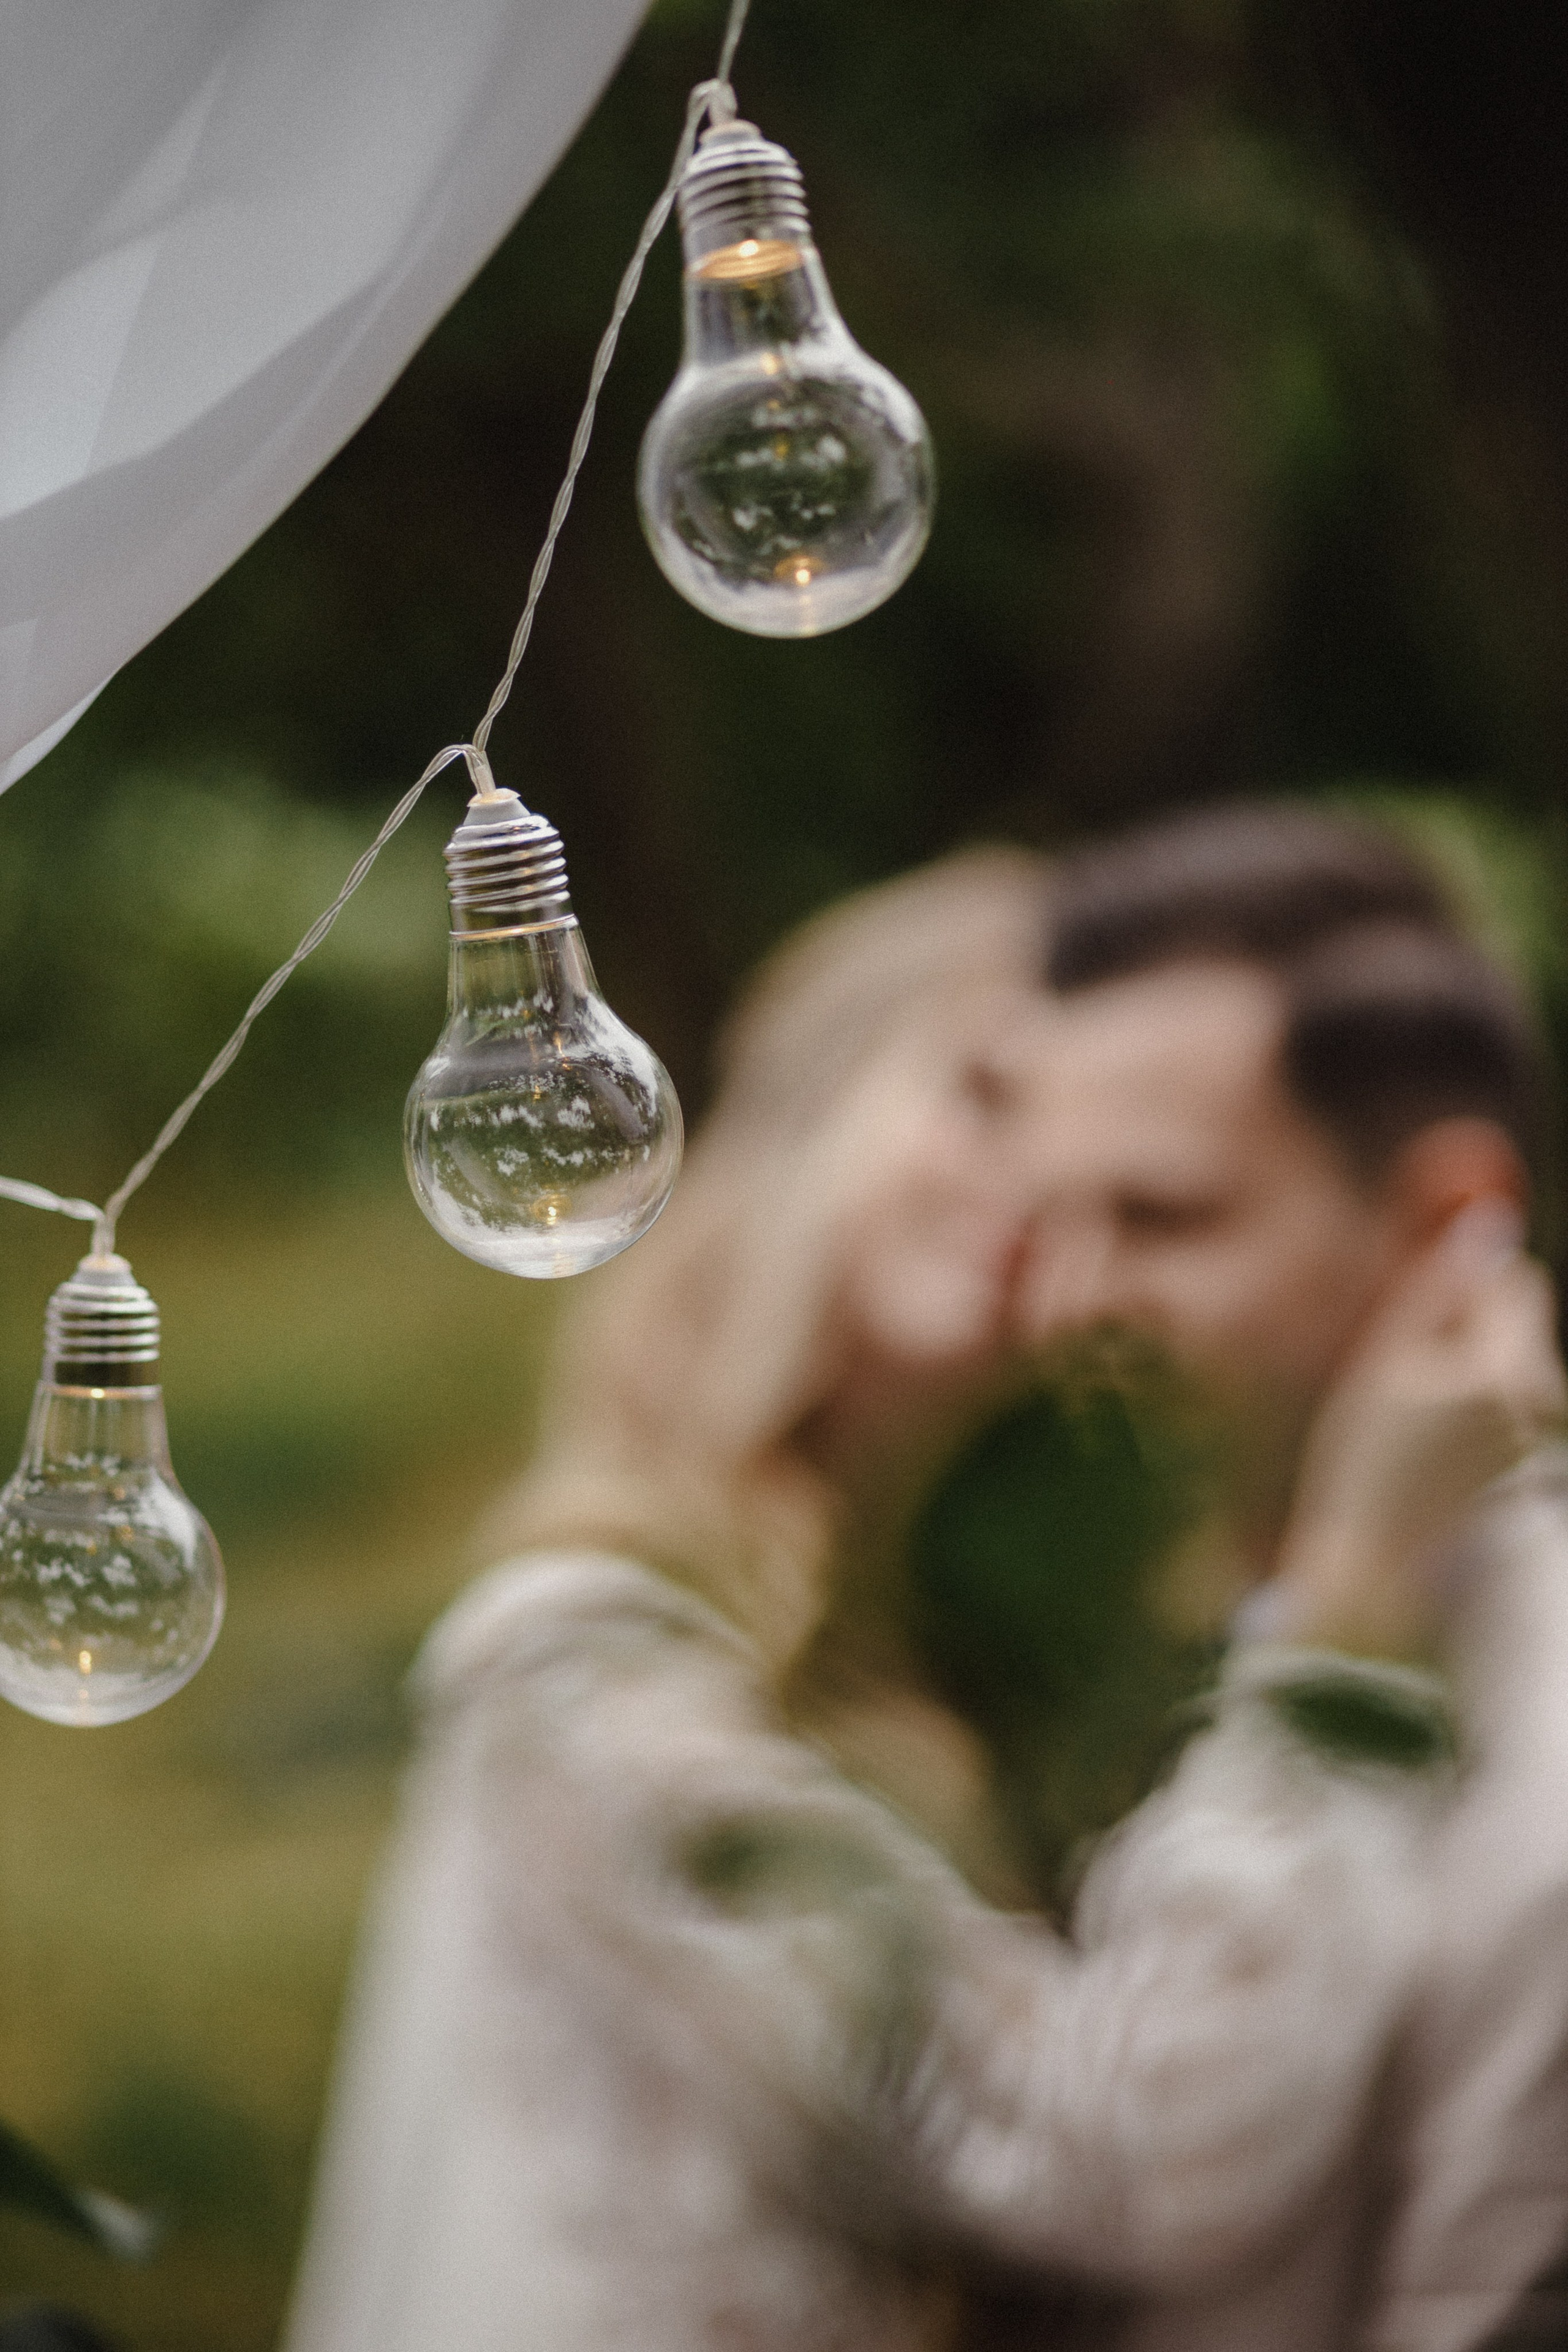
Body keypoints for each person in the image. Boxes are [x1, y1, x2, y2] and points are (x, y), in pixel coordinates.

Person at [281, 841, 1544, 2352]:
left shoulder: (958, 1669)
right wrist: (1349, 1611)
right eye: (988, 1097)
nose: (1037, 1190)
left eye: (1115, 1166)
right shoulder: (587, 1670)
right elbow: (1109, 2148)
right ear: (823, 1107)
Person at [1001, 799, 1568, 2349]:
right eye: (1044, 1221)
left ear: (1453, 1222)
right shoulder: (1121, 1632)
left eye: (1159, 1219)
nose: (1063, 1309)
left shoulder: (1544, 1821)